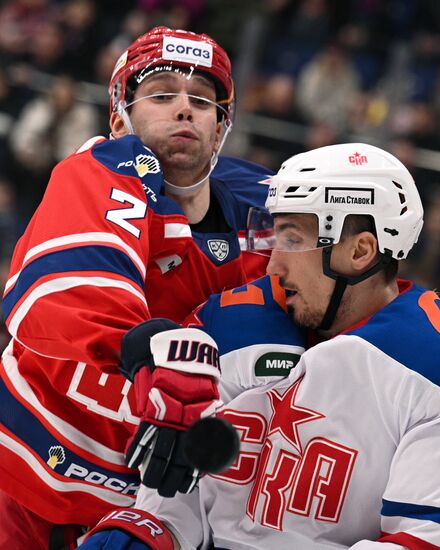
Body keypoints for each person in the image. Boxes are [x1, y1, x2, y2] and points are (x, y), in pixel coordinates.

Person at [81, 143, 440, 549]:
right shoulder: (229, 322)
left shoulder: (428, 362)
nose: (272, 265)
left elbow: (423, 538)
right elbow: (176, 499)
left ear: (359, 251)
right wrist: (141, 535)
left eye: (291, 239)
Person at [0, 26, 273, 549]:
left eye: (201, 99)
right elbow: (67, 294)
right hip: (27, 474)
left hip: (150, 504)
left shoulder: (261, 205)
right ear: (119, 116)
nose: (184, 108)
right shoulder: (102, 169)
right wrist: (150, 349)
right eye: (162, 93)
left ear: (221, 128)